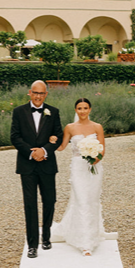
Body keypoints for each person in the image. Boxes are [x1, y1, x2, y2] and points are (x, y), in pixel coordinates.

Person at [11, 80, 64, 258]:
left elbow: (59, 134)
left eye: (41, 93)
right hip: (27, 165)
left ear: (46, 94)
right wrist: (31, 153)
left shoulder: (53, 112)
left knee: (50, 201)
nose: (38, 96)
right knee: (30, 204)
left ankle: (46, 237)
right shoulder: (18, 112)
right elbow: (15, 136)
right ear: (29, 92)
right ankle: (32, 244)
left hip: (47, 165)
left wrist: (44, 151)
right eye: (35, 93)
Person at [51, 98, 105, 255]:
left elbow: (102, 149)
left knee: (92, 201)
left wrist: (95, 159)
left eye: (85, 108)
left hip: (94, 168)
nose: (82, 111)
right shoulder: (70, 128)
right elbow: (61, 147)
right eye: (79, 108)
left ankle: (92, 235)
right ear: (75, 110)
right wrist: (52, 140)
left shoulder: (97, 127)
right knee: (81, 200)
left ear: (90, 109)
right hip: (77, 168)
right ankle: (85, 242)